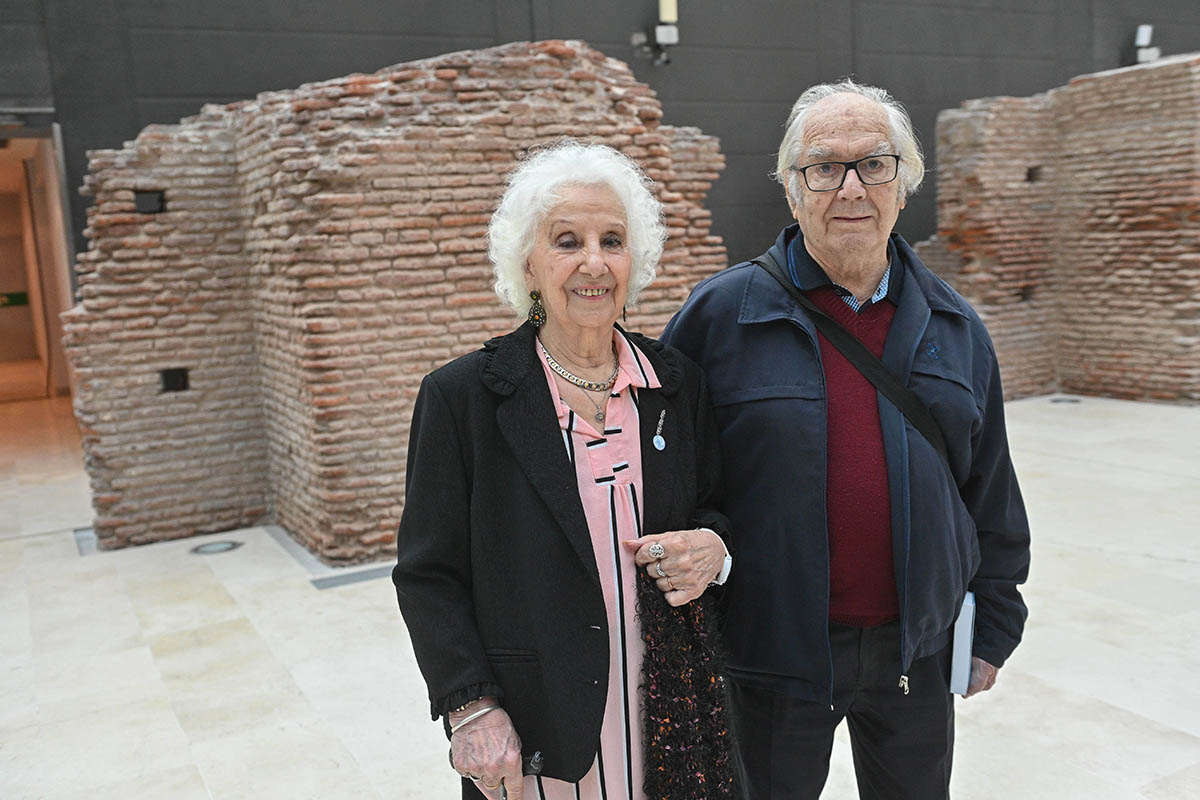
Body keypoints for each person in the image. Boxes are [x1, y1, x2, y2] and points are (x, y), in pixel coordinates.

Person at [661, 79, 1031, 799]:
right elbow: (671, 483)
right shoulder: (717, 316)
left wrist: (993, 625)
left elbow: (987, 487)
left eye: (875, 164)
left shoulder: (957, 330)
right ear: (792, 191)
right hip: (772, 654)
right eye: (824, 167)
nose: (851, 187)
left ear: (905, 183)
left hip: (914, 651)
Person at [392, 141, 735, 800]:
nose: (593, 262)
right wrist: (470, 709)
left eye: (612, 240)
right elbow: (428, 573)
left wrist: (715, 548)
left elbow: (715, 509)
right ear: (528, 262)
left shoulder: (675, 384)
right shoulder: (464, 397)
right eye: (567, 240)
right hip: (537, 730)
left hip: (668, 722)